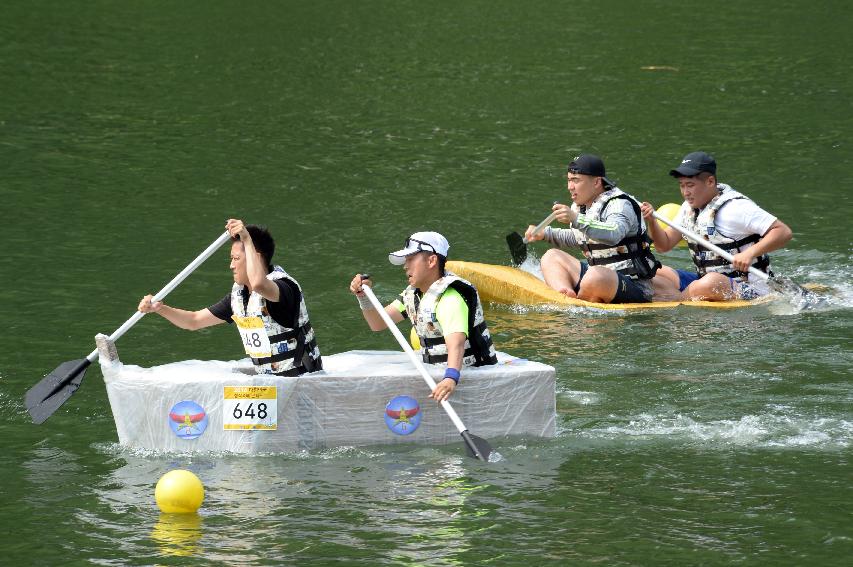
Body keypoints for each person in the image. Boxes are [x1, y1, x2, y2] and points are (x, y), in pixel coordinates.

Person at [138, 219, 322, 375]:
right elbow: (193, 321)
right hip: (271, 385)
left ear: (254, 258)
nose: (231, 266)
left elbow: (259, 283)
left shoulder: (284, 288)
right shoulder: (240, 296)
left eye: (236, 259)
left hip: (302, 383)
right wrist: (160, 309)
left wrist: (247, 239)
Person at [349, 231, 497, 403]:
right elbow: (378, 323)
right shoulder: (412, 295)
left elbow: (456, 344)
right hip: (437, 373)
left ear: (432, 261)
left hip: (470, 377)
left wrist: (450, 378)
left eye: (411, 259)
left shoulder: (450, 298)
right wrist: (363, 297)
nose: (405, 266)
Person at [640, 151, 793, 301]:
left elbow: (783, 232)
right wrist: (651, 221)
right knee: (657, 272)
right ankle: (682, 294)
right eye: (682, 185)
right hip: (705, 280)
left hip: (750, 288)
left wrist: (750, 253)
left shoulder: (737, 207)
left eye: (690, 185)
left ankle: (674, 300)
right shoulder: (688, 208)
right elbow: (663, 245)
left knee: (709, 283)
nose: (685, 192)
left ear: (710, 182)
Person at [524, 154, 662, 303]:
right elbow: (581, 238)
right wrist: (546, 234)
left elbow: (613, 233)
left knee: (595, 276)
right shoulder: (580, 207)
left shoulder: (620, 204)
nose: (570, 187)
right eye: (569, 180)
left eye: (576, 180)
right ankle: (564, 297)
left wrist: (576, 219)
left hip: (633, 285)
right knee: (551, 256)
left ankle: (578, 303)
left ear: (596, 182)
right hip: (595, 277)